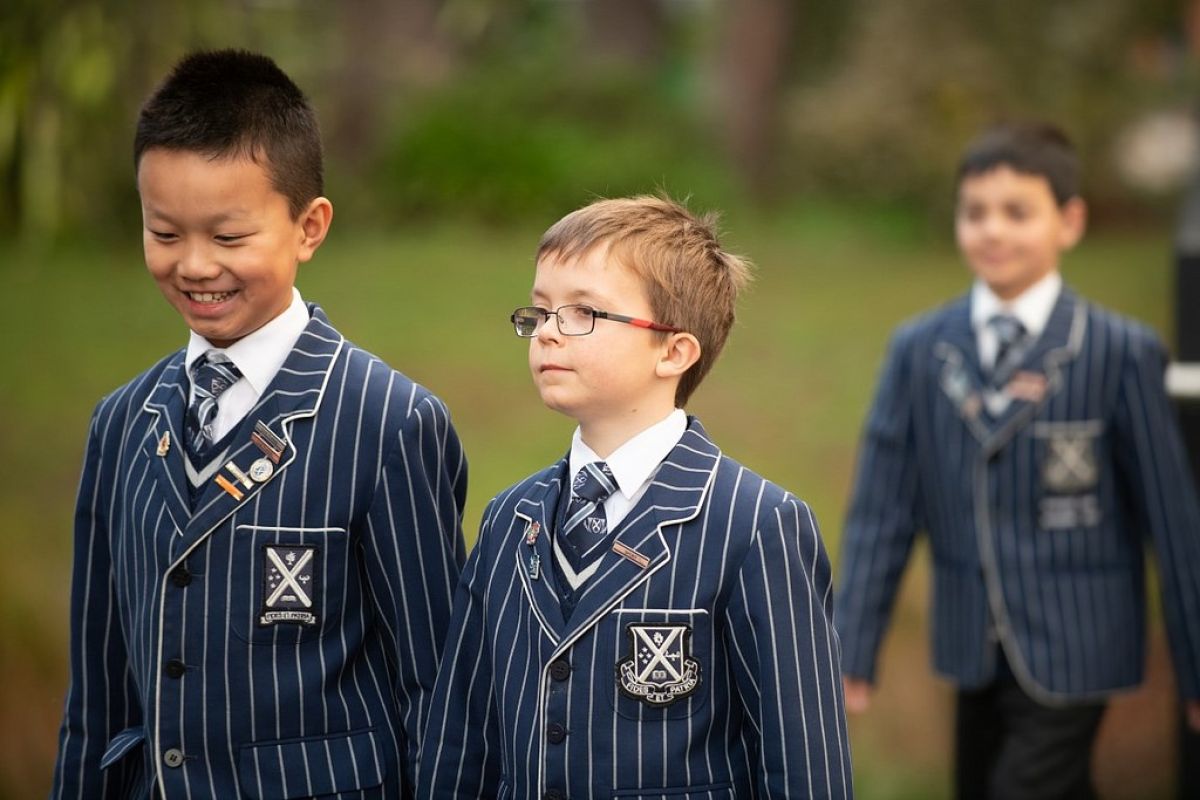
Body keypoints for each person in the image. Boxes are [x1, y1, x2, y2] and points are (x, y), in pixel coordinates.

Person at [50, 49, 467, 798]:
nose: (194, 266)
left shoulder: (390, 423)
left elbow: (439, 694)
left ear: (309, 227)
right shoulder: (119, 424)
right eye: (165, 234)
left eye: (229, 237)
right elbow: (96, 703)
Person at [417, 195, 852, 798]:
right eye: (541, 311)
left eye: (583, 312)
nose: (548, 332)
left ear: (673, 351)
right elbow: (460, 740)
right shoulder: (508, 518)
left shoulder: (758, 524)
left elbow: (804, 764)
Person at [835, 121, 1200, 799]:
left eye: (1017, 212)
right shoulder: (919, 350)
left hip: (1080, 641)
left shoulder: (1119, 351)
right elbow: (881, 512)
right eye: (975, 212)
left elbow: (1175, 525)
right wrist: (853, 645)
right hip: (970, 643)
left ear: (1070, 222)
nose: (993, 230)